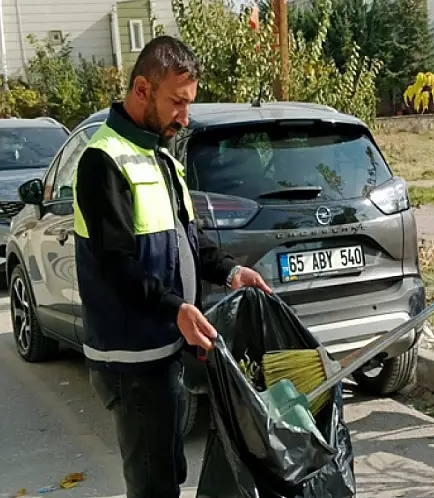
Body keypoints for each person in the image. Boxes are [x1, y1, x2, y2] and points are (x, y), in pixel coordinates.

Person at [73, 36, 271, 498]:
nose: (184, 116)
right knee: (153, 483)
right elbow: (116, 265)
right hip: (133, 360)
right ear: (142, 88)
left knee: (169, 472)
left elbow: (186, 238)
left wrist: (229, 271)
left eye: (188, 103)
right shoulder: (102, 161)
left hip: (166, 350)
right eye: (177, 102)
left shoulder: (158, 154)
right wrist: (175, 308)